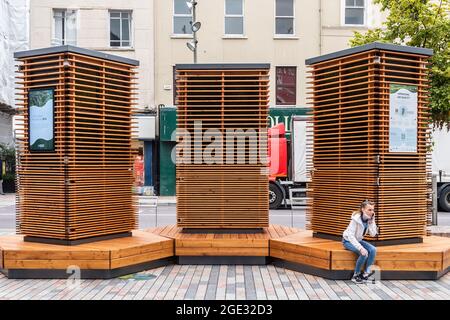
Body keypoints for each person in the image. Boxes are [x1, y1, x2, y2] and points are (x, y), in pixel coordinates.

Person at [342, 199, 378, 284]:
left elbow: (373, 234)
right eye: (369, 210)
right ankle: (356, 275)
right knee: (364, 253)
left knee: (373, 249)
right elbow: (350, 236)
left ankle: (366, 274)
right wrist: (361, 248)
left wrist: (372, 222)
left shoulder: (369, 219)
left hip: (358, 240)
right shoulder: (355, 219)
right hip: (347, 241)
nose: (372, 212)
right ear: (363, 209)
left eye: (373, 210)